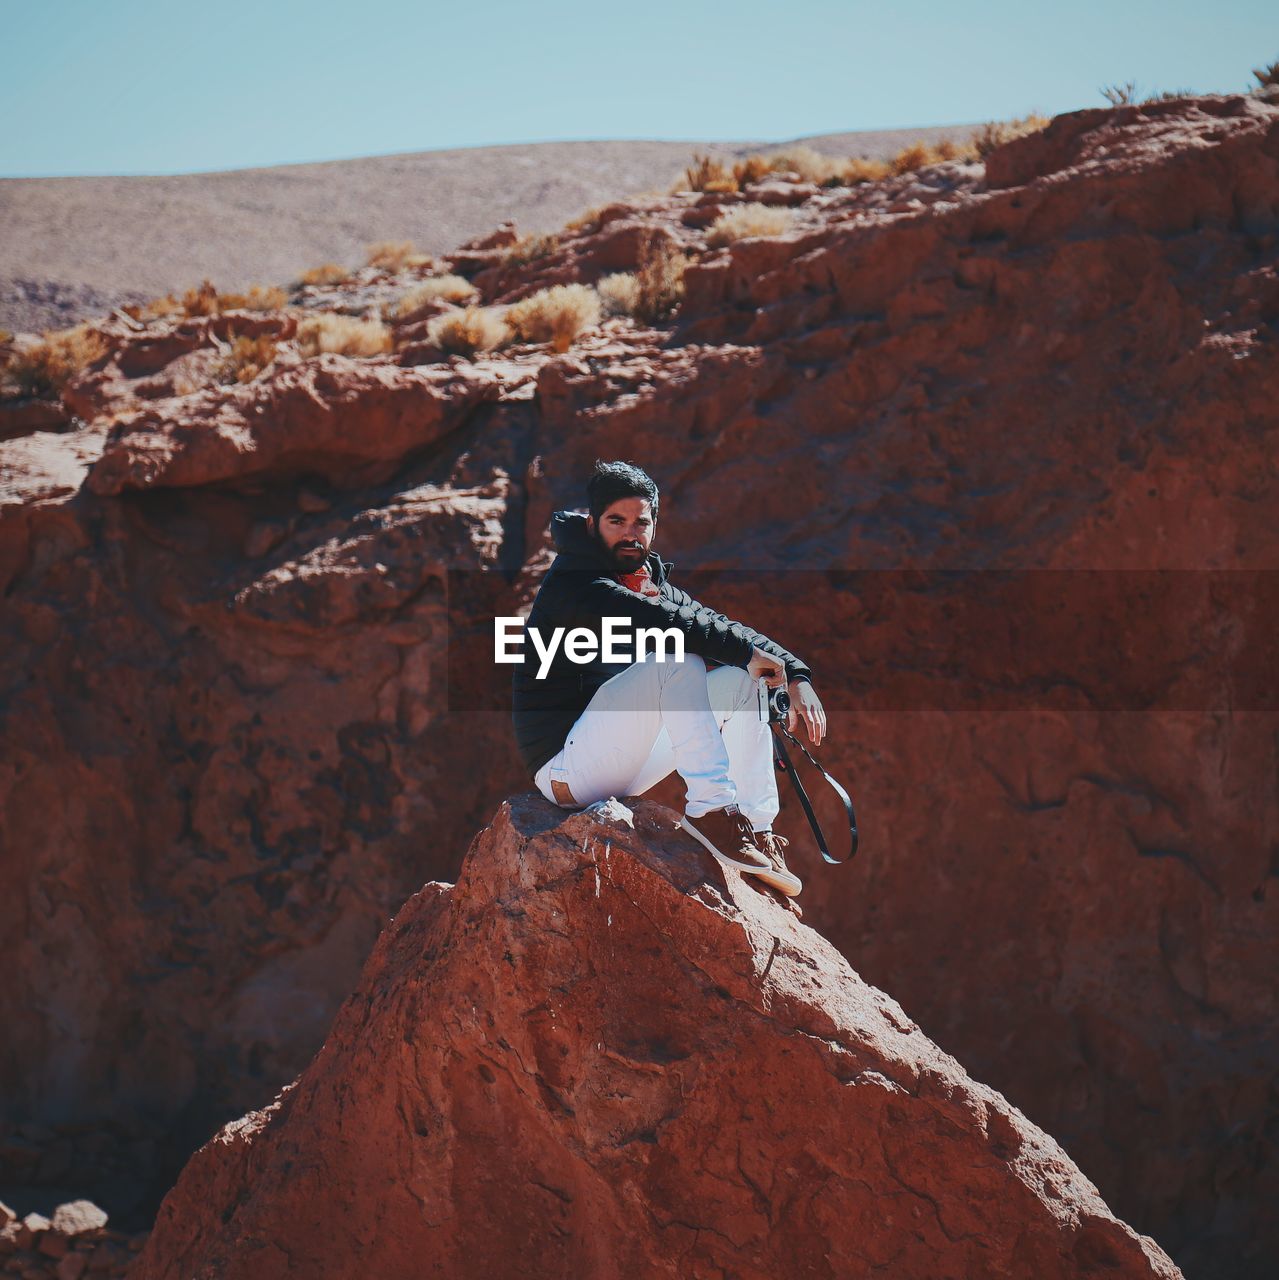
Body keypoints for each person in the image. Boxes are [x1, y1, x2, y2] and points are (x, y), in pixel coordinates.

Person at [510, 459, 826, 902]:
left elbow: (715, 623)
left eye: (641, 522)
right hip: (567, 769)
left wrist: (794, 674)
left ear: (654, 525)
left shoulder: (646, 578)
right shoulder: (574, 582)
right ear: (591, 522)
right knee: (678, 660)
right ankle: (712, 809)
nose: (630, 532)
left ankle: (756, 830)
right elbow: (666, 624)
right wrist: (752, 654)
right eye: (616, 521)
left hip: (622, 764)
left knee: (741, 683)